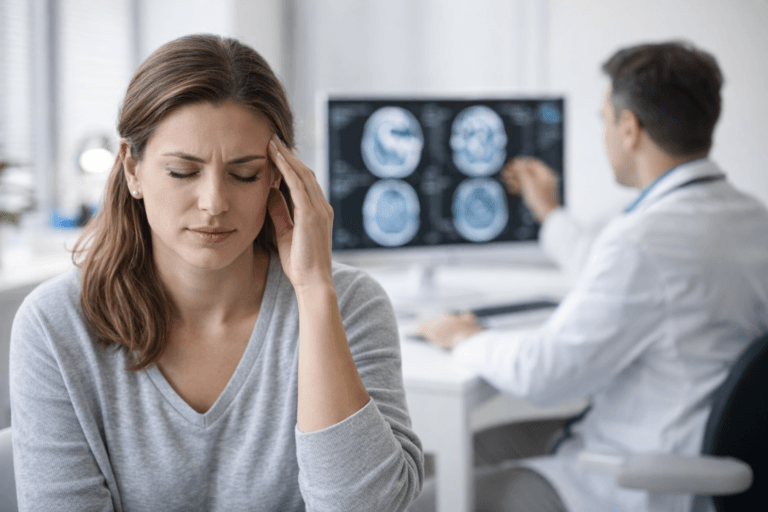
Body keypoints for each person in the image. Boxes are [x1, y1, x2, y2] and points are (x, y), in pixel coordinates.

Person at [10, 34, 423, 511]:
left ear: (278, 176)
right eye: (183, 172)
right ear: (132, 169)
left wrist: (313, 292)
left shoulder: (348, 303)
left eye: (244, 174)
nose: (214, 203)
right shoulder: (54, 326)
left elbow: (364, 506)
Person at [411, 41, 768, 512]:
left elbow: (547, 374)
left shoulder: (644, 240)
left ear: (629, 128)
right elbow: (627, 283)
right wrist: (552, 214)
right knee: (464, 449)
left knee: (427, 497)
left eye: (604, 120)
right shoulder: (750, 218)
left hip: (637, 478)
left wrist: (466, 337)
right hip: (698, 446)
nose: (605, 133)